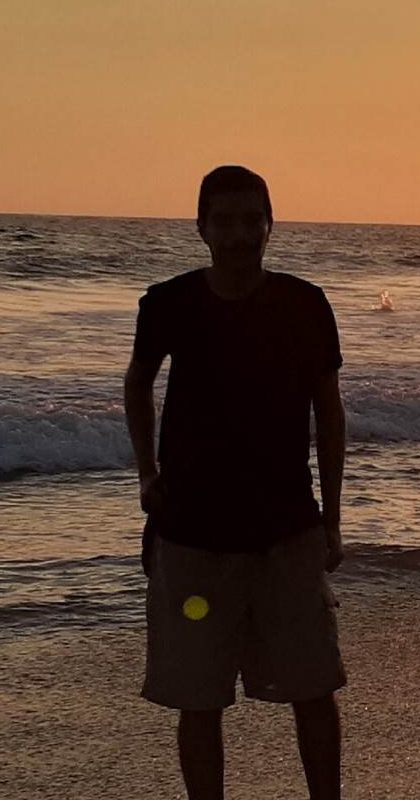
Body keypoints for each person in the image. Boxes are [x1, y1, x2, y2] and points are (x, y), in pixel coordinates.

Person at [124, 165, 347, 800]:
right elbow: (137, 382)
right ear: (202, 228)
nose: (241, 234)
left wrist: (332, 519)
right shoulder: (168, 303)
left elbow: (329, 412)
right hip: (191, 534)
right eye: (225, 221)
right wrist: (146, 473)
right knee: (198, 698)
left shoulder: (304, 304)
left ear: (271, 225)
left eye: (253, 220)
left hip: (287, 530)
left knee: (313, 688)